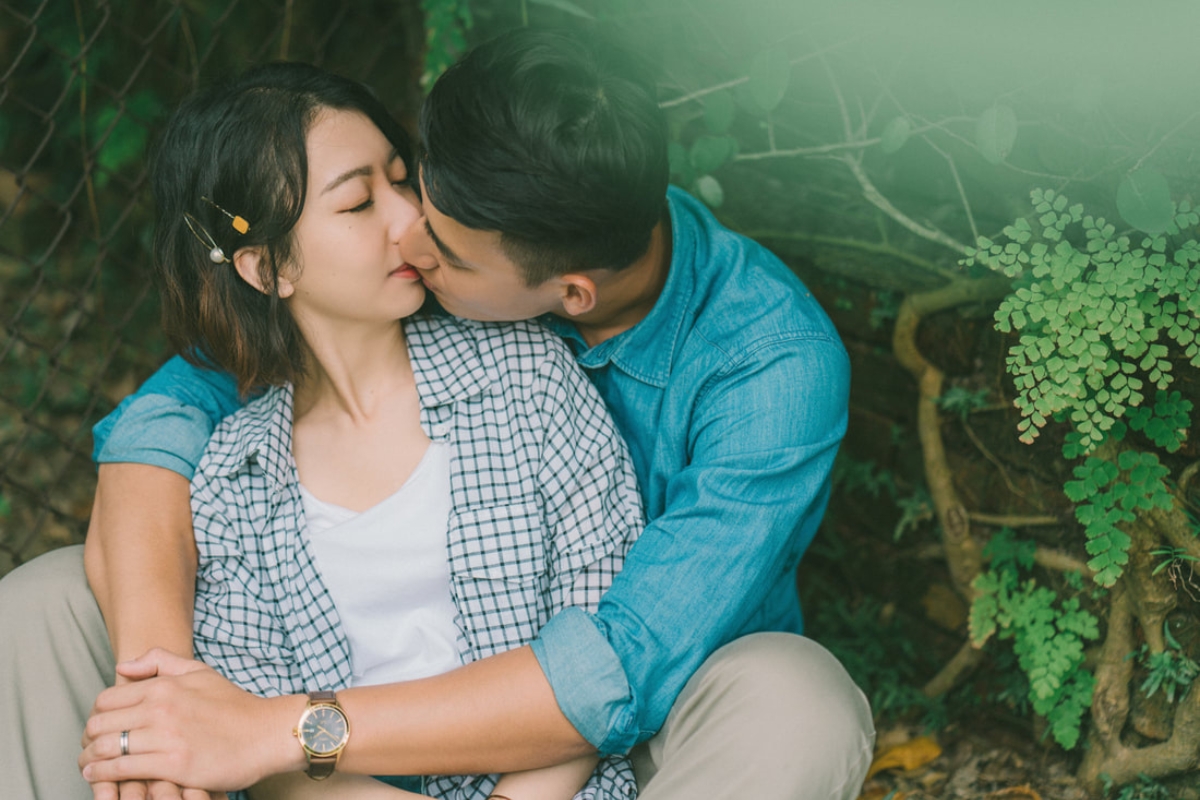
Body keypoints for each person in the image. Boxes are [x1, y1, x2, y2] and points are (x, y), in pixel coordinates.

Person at [0, 26, 874, 800]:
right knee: (45, 600)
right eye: (394, 190)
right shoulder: (445, 244)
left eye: (442, 246)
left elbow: (615, 669)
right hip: (332, 749)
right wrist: (168, 688)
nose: (410, 233)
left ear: (565, 295)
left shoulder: (771, 371)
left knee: (798, 700)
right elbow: (175, 409)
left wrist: (275, 731)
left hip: (631, 734)